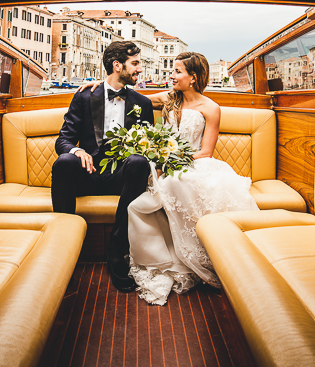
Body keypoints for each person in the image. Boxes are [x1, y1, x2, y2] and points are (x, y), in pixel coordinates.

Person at [78, 52, 259, 305]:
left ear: (193, 78)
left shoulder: (211, 108)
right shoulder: (167, 99)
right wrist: (100, 84)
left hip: (194, 163)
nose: (170, 76)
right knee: (159, 185)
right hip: (163, 164)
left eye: (176, 72)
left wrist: (171, 162)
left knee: (176, 182)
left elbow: (206, 151)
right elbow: (127, 96)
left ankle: (206, 254)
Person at [51, 41, 155, 291]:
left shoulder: (143, 103)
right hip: (87, 176)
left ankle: (118, 252)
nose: (140, 69)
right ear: (118, 65)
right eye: (136, 63)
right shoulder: (85, 95)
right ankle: (61, 249)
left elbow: (149, 145)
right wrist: (77, 151)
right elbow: (63, 139)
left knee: (140, 162)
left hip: (121, 177)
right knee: (64, 161)